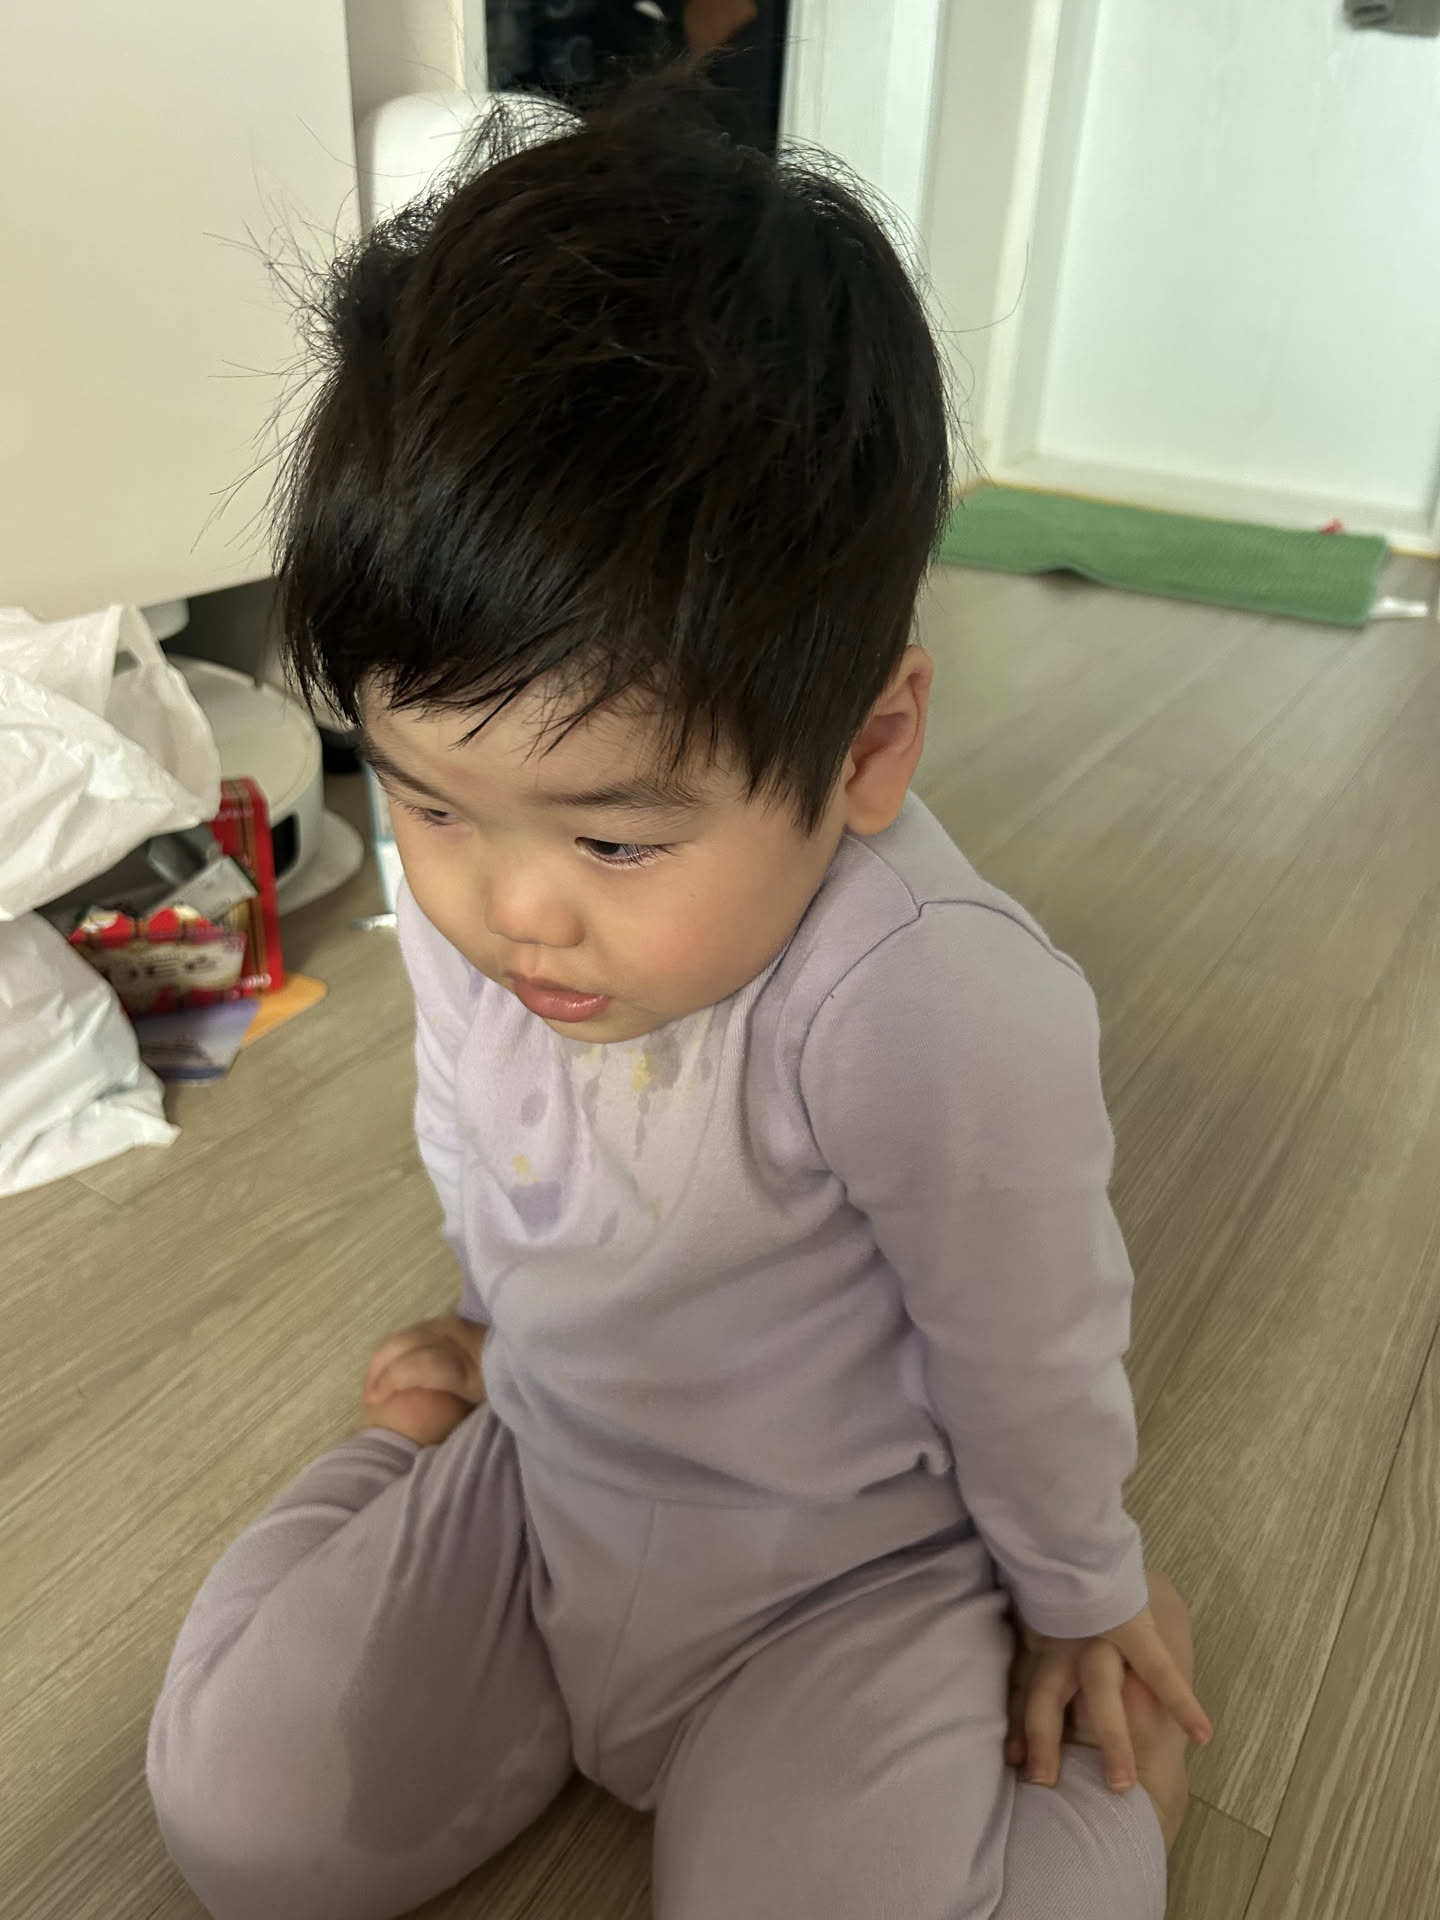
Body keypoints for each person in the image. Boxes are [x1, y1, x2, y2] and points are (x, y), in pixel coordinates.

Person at [147, 72, 1210, 1920]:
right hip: (547, 1476)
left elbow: (1030, 1333)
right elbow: (474, 1124)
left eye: (616, 839)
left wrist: (1080, 1585)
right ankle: (406, 1451)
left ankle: (1137, 1788)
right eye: (425, 799)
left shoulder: (927, 999)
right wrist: (482, 1325)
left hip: (845, 1582)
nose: (508, 910)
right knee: (243, 1821)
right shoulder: (491, 892)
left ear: (866, 746)